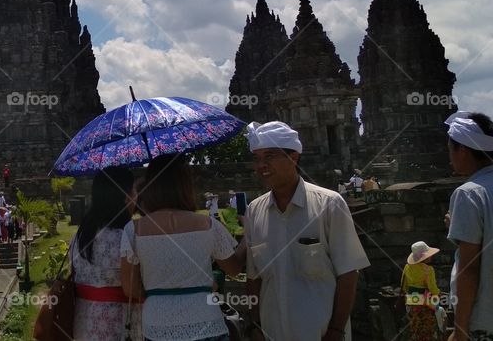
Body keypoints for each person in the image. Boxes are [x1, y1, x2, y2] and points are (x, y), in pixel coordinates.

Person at [244, 121, 370, 341]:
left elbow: (349, 272)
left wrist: (336, 330)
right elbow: (254, 277)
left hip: (320, 333)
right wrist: (255, 326)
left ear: (293, 158)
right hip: (271, 333)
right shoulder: (255, 211)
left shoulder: (329, 204)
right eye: (257, 158)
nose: (261, 165)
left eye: (270, 156)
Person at [120, 155, 243, 341]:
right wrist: (248, 239)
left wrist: (162, 292)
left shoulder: (133, 230)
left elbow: (130, 288)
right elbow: (234, 268)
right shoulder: (208, 224)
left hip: (157, 324)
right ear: (186, 185)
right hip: (206, 320)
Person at [72, 167, 143, 340]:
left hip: (84, 323)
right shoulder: (126, 236)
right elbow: (134, 289)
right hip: (119, 325)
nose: (137, 196)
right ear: (125, 196)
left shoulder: (80, 236)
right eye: (134, 190)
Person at [445, 111, 493, 339]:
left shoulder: (469, 194)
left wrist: (460, 329)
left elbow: (469, 267)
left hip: (485, 323)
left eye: (450, 150)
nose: (449, 158)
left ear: (462, 149)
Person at [402, 241, 442, 341]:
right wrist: (438, 293)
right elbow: (432, 288)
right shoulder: (428, 270)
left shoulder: (407, 267)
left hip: (412, 301)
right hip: (425, 303)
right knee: (427, 330)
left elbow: (405, 286)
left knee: (415, 329)